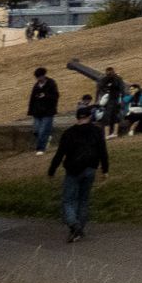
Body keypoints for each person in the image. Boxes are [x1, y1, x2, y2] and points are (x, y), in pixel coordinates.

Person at [47, 103, 108, 242]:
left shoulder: (69, 133)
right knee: (83, 199)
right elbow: (103, 151)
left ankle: (73, 224)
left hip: (73, 168)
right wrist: (105, 169)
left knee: (68, 200)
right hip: (90, 167)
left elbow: (60, 153)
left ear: (77, 118)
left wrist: (52, 169)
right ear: (90, 117)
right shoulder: (97, 131)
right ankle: (80, 227)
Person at [27, 67, 60, 155]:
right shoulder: (36, 85)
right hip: (37, 111)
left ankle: (40, 149)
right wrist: (30, 111)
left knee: (43, 130)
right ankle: (47, 138)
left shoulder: (51, 83)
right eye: (37, 77)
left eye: (39, 77)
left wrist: (45, 95)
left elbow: (56, 96)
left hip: (48, 111)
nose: (38, 79)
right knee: (37, 130)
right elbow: (32, 99)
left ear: (43, 76)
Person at [95, 67, 126, 137]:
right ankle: (114, 133)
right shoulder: (117, 79)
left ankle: (108, 134)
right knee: (114, 117)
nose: (109, 74)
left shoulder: (111, 79)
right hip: (114, 100)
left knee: (108, 117)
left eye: (110, 73)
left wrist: (97, 100)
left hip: (111, 100)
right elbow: (122, 90)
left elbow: (99, 88)